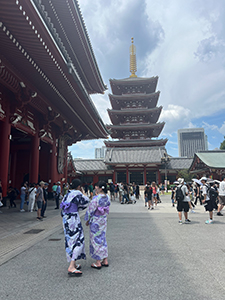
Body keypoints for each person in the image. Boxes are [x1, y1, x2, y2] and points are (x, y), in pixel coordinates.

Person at [60, 179, 89, 277]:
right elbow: (85, 202)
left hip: (66, 219)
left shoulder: (67, 194)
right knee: (78, 239)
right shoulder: (77, 193)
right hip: (73, 219)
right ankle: (72, 266)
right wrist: (84, 193)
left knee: (69, 240)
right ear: (79, 186)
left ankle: (74, 262)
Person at [85, 181, 110, 269]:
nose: (95, 188)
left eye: (96, 187)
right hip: (103, 219)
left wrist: (87, 219)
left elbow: (91, 209)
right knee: (102, 238)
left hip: (96, 220)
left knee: (95, 239)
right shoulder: (107, 197)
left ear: (99, 188)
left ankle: (98, 261)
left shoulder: (96, 198)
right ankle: (105, 259)